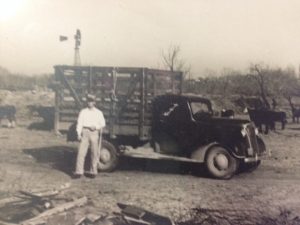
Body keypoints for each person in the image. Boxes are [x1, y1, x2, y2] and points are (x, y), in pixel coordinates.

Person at [73, 94, 106, 179]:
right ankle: (79, 171)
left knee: (94, 152)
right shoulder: (83, 112)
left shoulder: (99, 113)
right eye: (88, 101)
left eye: (91, 101)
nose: (89, 103)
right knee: (81, 152)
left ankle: (93, 171)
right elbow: (79, 123)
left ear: (94, 102)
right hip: (85, 132)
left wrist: (96, 127)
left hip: (94, 132)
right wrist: (78, 134)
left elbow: (102, 123)